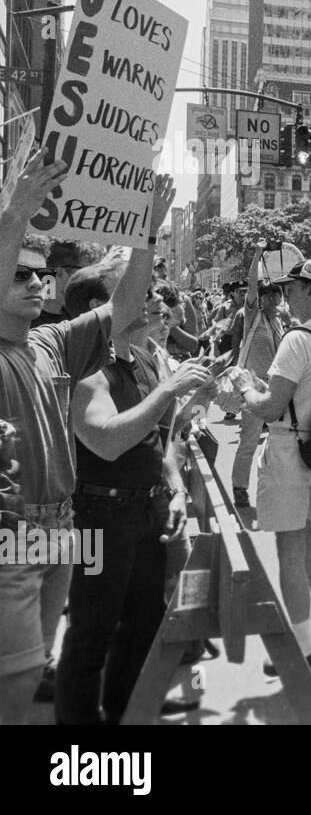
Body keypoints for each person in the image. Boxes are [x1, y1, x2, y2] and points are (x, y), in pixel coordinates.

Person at [0, 160, 173, 724]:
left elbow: (123, 309)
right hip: (13, 534)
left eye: (38, 275)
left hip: (60, 529)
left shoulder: (50, 343)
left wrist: (147, 234)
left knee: (37, 667)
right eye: (19, 273)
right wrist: (20, 211)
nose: (34, 283)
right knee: (18, 678)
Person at [57, 275, 212, 724]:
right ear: (100, 308)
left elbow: (161, 438)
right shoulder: (84, 370)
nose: (149, 302)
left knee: (143, 626)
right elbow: (107, 442)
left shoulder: (142, 358)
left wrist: (198, 394)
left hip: (147, 511)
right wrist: (169, 389)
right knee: (91, 634)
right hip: (97, 518)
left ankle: (125, 715)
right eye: (136, 293)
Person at [232, 258, 311, 679]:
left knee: (288, 548)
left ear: (310, 292)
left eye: (292, 288)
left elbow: (271, 406)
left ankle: (302, 653)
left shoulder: (296, 339)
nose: (285, 294)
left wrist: (246, 386)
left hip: (288, 451)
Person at [227, 250, 288, 509]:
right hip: (252, 388)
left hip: (276, 389)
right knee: (249, 441)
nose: (271, 298)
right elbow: (252, 283)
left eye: (275, 293)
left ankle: (276, 491)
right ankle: (240, 488)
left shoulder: (281, 323)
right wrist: (257, 255)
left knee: (281, 443)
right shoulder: (252, 316)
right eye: (266, 294)